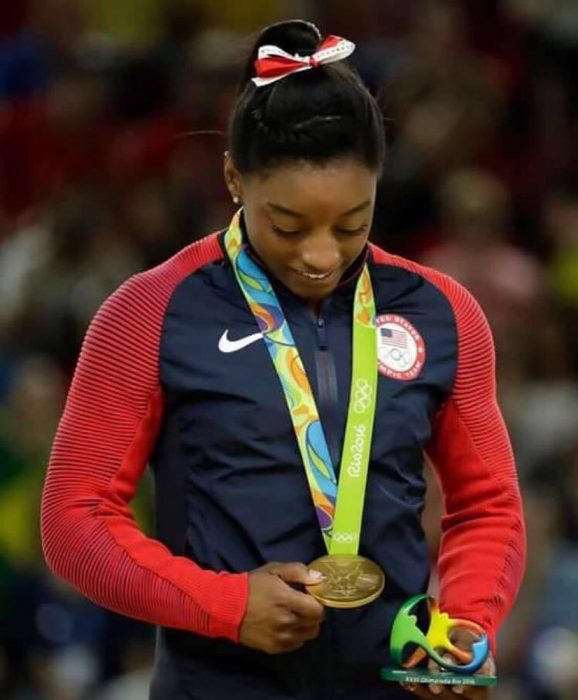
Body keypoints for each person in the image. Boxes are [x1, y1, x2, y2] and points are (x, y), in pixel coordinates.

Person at [40, 19, 526, 700]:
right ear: (234, 178)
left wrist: (468, 625)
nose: (323, 255)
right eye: (289, 225)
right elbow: (75, 520)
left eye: (353, 223)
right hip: (219, 684)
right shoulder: (150, 311)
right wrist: (226, 604)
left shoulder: (440, 312)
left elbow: (487, 504)